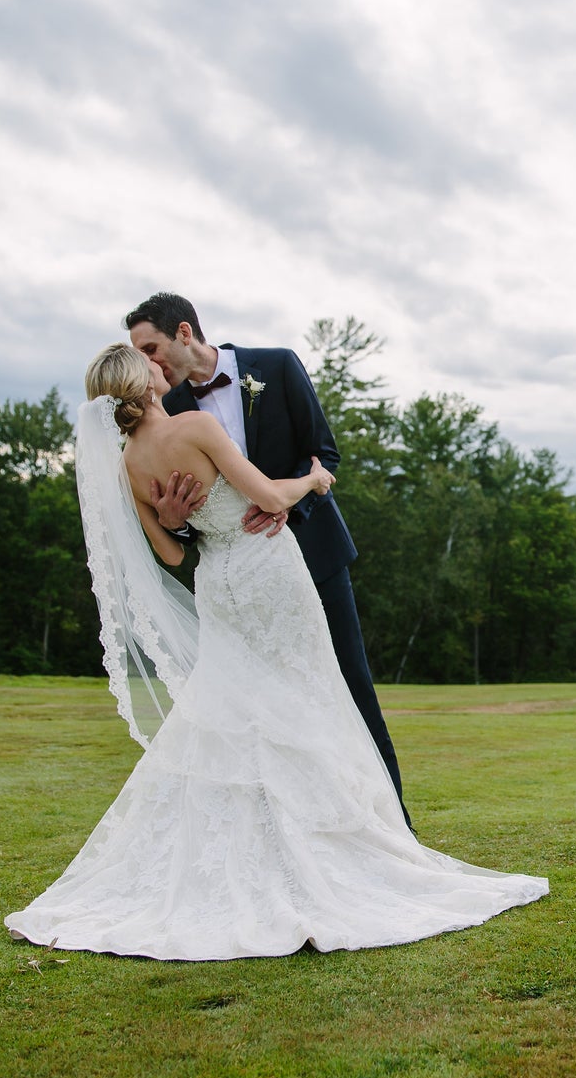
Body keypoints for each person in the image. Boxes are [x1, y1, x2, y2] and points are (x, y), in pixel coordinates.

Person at [4, 344, 546, 960]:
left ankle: (255, 848)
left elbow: (175, 554)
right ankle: (321, 851)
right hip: (267, 571)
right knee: (306, 692)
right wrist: (315, 478)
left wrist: (183, 516)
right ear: (144, 383)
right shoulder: (196, 425)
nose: (160, 365)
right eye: (149, 362)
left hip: (218, 584)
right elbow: (266, 496)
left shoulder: (127, 462)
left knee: (240, 706)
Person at [122, 292, 410, 830]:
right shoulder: (170, 412)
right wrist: (178, 519)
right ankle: (278, 836)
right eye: (138, 354)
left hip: (312, 556)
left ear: (185, 333)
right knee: (248, 710)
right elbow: (191, 519)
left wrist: (284, 513)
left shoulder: (275, 365)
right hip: (235, 578)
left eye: (152, 347)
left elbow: (324, 454)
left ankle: (392, 827)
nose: (148, 362)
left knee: (347, 687)